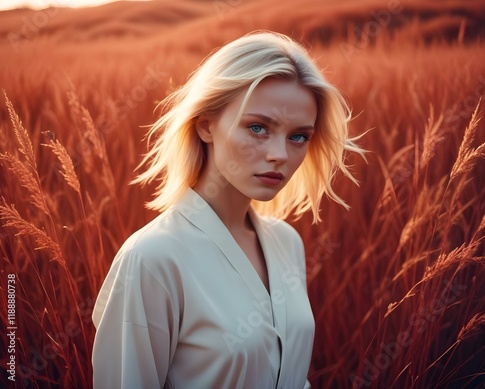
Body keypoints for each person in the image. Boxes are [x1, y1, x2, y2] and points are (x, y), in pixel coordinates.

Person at [92, 31, 363, 389]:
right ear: (206, 125)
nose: (280, 154)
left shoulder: (287, 242)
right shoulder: (152, 259)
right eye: (257, 127)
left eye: (299, 136)